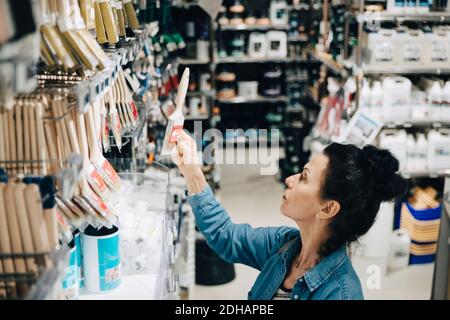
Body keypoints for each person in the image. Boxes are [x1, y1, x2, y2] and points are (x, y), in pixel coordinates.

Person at [172, 131, 406, 300]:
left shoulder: (341, 293)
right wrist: (193, 172)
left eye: (303, 177)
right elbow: (227, 237)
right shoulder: (284, 246)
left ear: (327, 208)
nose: (289, 179)